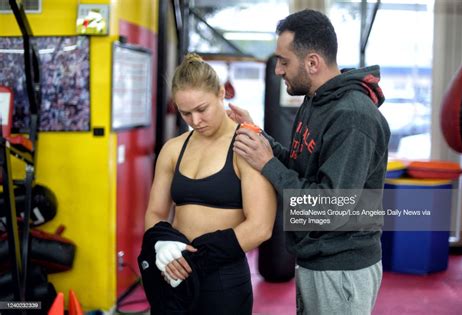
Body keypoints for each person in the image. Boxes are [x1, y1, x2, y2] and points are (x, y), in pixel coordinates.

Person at [230, 9, 390, 315]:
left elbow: (329, 208)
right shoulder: (315, 101)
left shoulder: (352, 118)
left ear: (312, 62)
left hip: (340, 267)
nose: (278, 69)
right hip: (314, 258)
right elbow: (300, 167)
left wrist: (267, 164)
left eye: (284, 61)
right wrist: (258, 136)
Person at [138, 53, 277, 315]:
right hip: (173, 271)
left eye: (202, 109)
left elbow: (260, 227)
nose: (195, 121)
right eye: (185, 113)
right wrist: (162, 244)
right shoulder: (173, 149)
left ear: (221, 93)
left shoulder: (247, 146)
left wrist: (195, 258)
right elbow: (155, 212)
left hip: (222, 280)